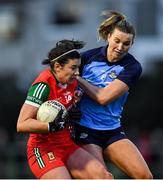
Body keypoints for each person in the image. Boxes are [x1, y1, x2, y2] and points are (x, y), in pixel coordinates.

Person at [70, 11, 153, 179]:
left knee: (146, 176)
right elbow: (64, 83)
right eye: (117, 41)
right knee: (103, 178)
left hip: (112, 131)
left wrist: (78, 78)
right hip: (85, 130)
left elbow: (103, 97)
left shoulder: (132, 67)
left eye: (126, 43)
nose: (120, 47)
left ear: (132, 44)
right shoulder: (86, 58)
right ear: (108, 37)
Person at [16, 40, 113, 179]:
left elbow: (67, 109)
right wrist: (51, 125)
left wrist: (71, 115)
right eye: (73, 68)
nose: (77, 73)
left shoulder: (72, 82)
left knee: (104, 176)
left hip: (66, 145)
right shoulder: (43, 85)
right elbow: (22, 124)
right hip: (43, 149)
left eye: (78, 67)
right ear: (57, 66)